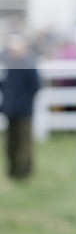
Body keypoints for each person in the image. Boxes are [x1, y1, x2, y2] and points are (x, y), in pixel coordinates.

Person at [0, 34, 40, 180]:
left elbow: (35, 86)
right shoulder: (7, 65)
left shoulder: (28, 65)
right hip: (10, 109)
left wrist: (24, 101)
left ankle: (24, 173)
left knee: (24, 142)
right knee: (11, 142)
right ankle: (12, 170)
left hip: (24, 109)